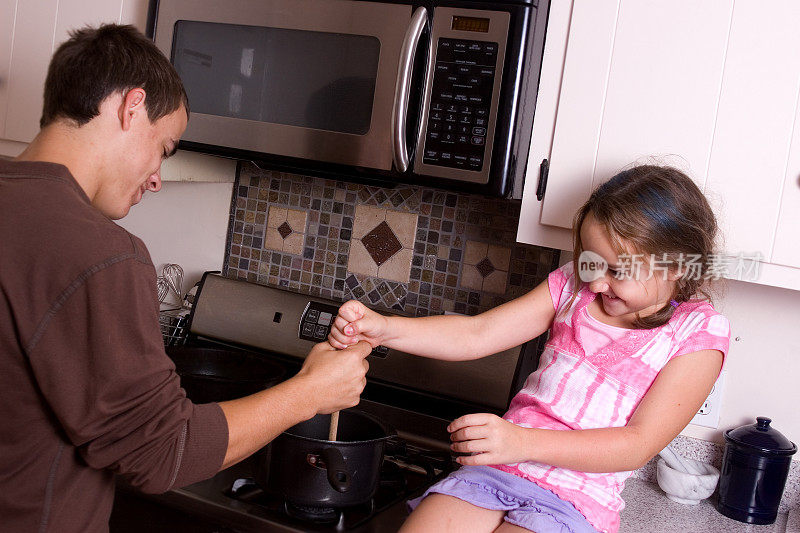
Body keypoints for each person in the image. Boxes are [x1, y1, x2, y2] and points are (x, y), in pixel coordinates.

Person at [0, 24, 371, 532]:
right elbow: (162, 453)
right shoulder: (96, 253)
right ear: (132, 107)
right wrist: (311, 390)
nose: (156, 177)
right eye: (165, 148)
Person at [329, 165, 730, 533]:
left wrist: (521, 441)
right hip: (497, 468)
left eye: (617, 272)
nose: (594, 283)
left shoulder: (698, 331)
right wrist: (385, 328)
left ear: (678, 266)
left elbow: (636, 445)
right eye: (590, 261)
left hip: (576, 499)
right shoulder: (571, 285)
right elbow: (476, 334)